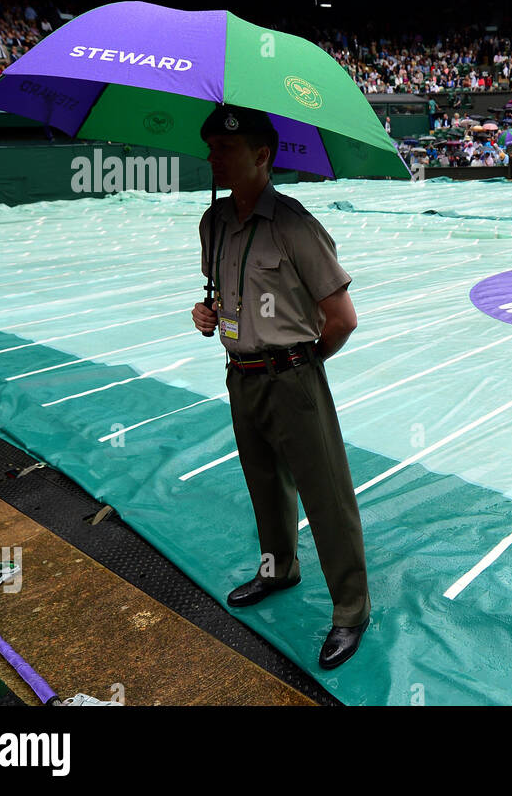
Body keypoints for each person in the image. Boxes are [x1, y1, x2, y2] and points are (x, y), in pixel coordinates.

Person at [190, 104, 372, 671]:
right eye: (210, 147)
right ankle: (279, 570)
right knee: (263, 485)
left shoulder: (294, 225)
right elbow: (220, 298)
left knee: (327, 497)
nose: (214, 157)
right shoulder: (212, 223)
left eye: (225, 148)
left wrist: (301, 361)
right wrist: (206, 312)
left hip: (293, 378)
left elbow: (341, 316)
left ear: (262, 155)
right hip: (240, 378)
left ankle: (350, 610)